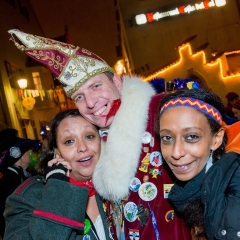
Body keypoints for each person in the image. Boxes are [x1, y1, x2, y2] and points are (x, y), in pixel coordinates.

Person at [8, 29, 191, 240]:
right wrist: (58, 186)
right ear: (56, 151)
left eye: (96, 86)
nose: (91, 102)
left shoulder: (160, 113)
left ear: (117, 82)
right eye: (79, 96)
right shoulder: (34, 194)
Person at [4, 109, 116, 240]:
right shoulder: (29, 196)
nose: (83, 147)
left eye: (89, 136)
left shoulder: (116, 186)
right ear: (58, 153)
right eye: (69, 141)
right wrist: (58, 190)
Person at [158, 88, 240, 239]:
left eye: (192, 136)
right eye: (167, 138)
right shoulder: (198, 187)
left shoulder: (234, 191)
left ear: (216, 139)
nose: (176, 153)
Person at [0, 129, 39, 239]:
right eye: (27, 151)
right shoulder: (11, 182)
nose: (30, 153)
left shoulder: (18, 177)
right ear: (20, 156)